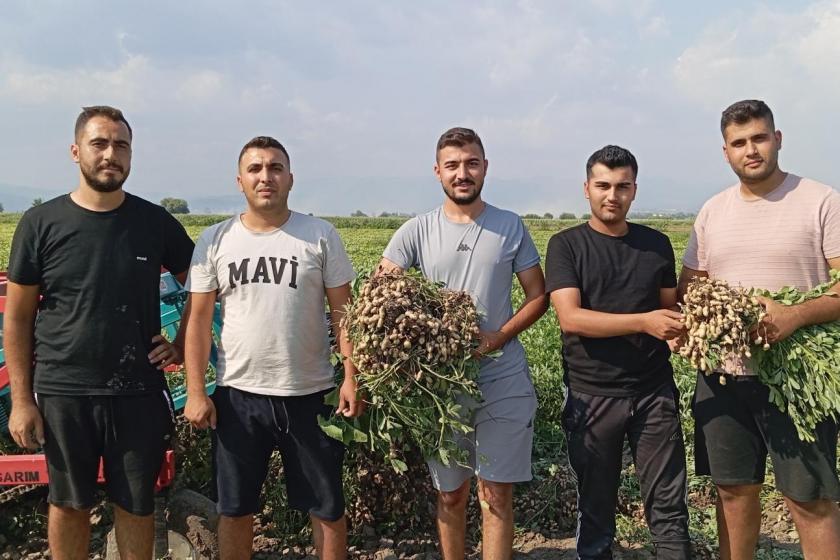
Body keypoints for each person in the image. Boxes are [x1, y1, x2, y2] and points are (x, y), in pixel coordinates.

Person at [5, 105, 194, 559]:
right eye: (100, 143)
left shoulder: (154, 223)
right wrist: (21, 400)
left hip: (138, 390)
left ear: (131, 155)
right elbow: (17, 318)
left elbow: (202, 286)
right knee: (69, 504)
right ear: (76, 151)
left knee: (136, 504)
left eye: (121, 145)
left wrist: (182, 342)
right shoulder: (41, 224)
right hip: (63, 389)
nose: (111, 154)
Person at [182, 136, 362, 560]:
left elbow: (345, 315)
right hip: (238, 396)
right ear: (240, 180)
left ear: (290, 178)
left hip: (309, 392)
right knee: (235, 508)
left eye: (276, 168)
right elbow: (198, 322)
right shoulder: (216, 240)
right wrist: (195, 391)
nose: (266, 177)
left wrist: (351, 376)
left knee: (327, 507)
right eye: (256, 169)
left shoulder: (320, 236)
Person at [679, 99, 840, 560]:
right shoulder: (713, 211)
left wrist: (794, 315)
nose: (751, 149)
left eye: (759, 138)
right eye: (739, 142)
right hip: (724, 376)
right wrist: (691, 330)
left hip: (797, 378)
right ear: (726, 151)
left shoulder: (821, 200)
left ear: (778, 139)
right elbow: (692, 289)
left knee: (809, 499)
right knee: (732, 494)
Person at [378, 127, 547, 560]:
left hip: (502, 375)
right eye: (452, 165)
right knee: (451, 493)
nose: (463, 173)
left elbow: (538, 295)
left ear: (485, 167)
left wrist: (498, 336)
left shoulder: (509, 226)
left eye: (471, 163)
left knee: (495, 495)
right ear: (438, 172)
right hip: (441, 385)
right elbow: (381, 293)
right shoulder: (416, 231)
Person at [544, 145, 691, 559]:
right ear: (587, 189)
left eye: (622, 186)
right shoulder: (566, 246)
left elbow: (671, 309)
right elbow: (571, 318)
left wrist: (683, 334)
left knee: (668, 504)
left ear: (634, 190)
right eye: (603, 186)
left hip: (653, 392)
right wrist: (645, 321)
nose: (613, 195)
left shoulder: (657, 244)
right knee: (596, 507)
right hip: (592, 396)